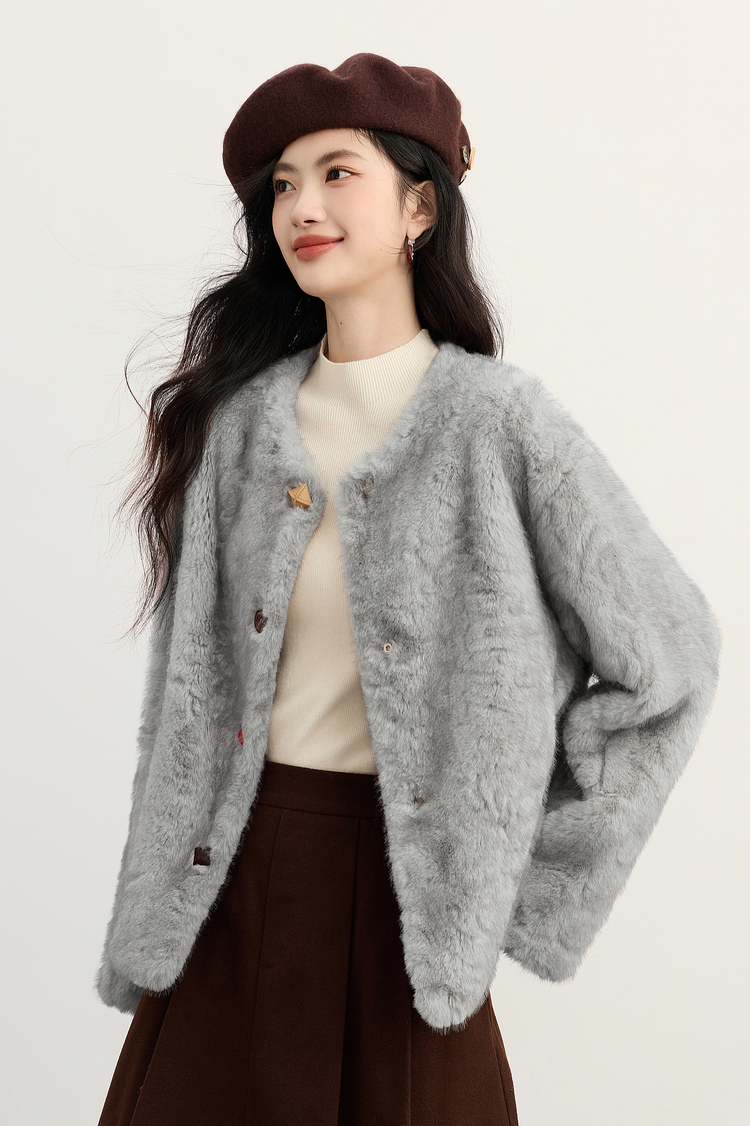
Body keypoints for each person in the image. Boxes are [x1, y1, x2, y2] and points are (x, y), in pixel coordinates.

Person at [93, 53, 721, 1126]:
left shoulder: (501, 427)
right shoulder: (239, 430)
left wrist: (521, 867)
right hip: (227, 893)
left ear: (419, 207)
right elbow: (184, 703)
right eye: (283, 185)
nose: (302, 208)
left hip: (404, 913)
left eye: (338, 173)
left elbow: (672, 657)